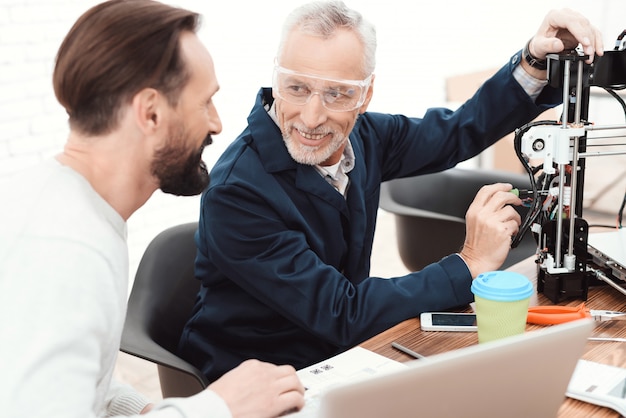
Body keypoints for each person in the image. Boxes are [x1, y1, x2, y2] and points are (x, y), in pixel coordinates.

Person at [177, 1, 604, 382]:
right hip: (260, 379)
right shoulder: (236, 193)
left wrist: (532, 61)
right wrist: (469, 261)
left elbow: (456, 133)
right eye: (297, 87)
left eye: (337, 94)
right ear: (277, 78)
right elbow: (343, 312)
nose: (311, 116)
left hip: (343, 354)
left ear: (365, 95)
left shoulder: (366, 137)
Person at [0, 1, 305, 417]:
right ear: (151, 113)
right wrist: (220, 408)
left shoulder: (68, 209)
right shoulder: (66, 256)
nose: (216, 124)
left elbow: (74, 384)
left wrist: (140, 410)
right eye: (205, 103)